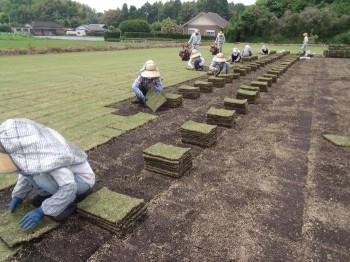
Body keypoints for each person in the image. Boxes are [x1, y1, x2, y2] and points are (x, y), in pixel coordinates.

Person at [0, 118, 95, 229]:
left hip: (82, 181)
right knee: (32, 173)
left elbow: (69, 186)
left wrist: (42, 211)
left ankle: (69, 204)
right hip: (67, 180)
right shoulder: (32, 152)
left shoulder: (52, 155)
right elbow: (26, 172)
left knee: (40, 178)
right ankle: (50, 195)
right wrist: (18, 196)